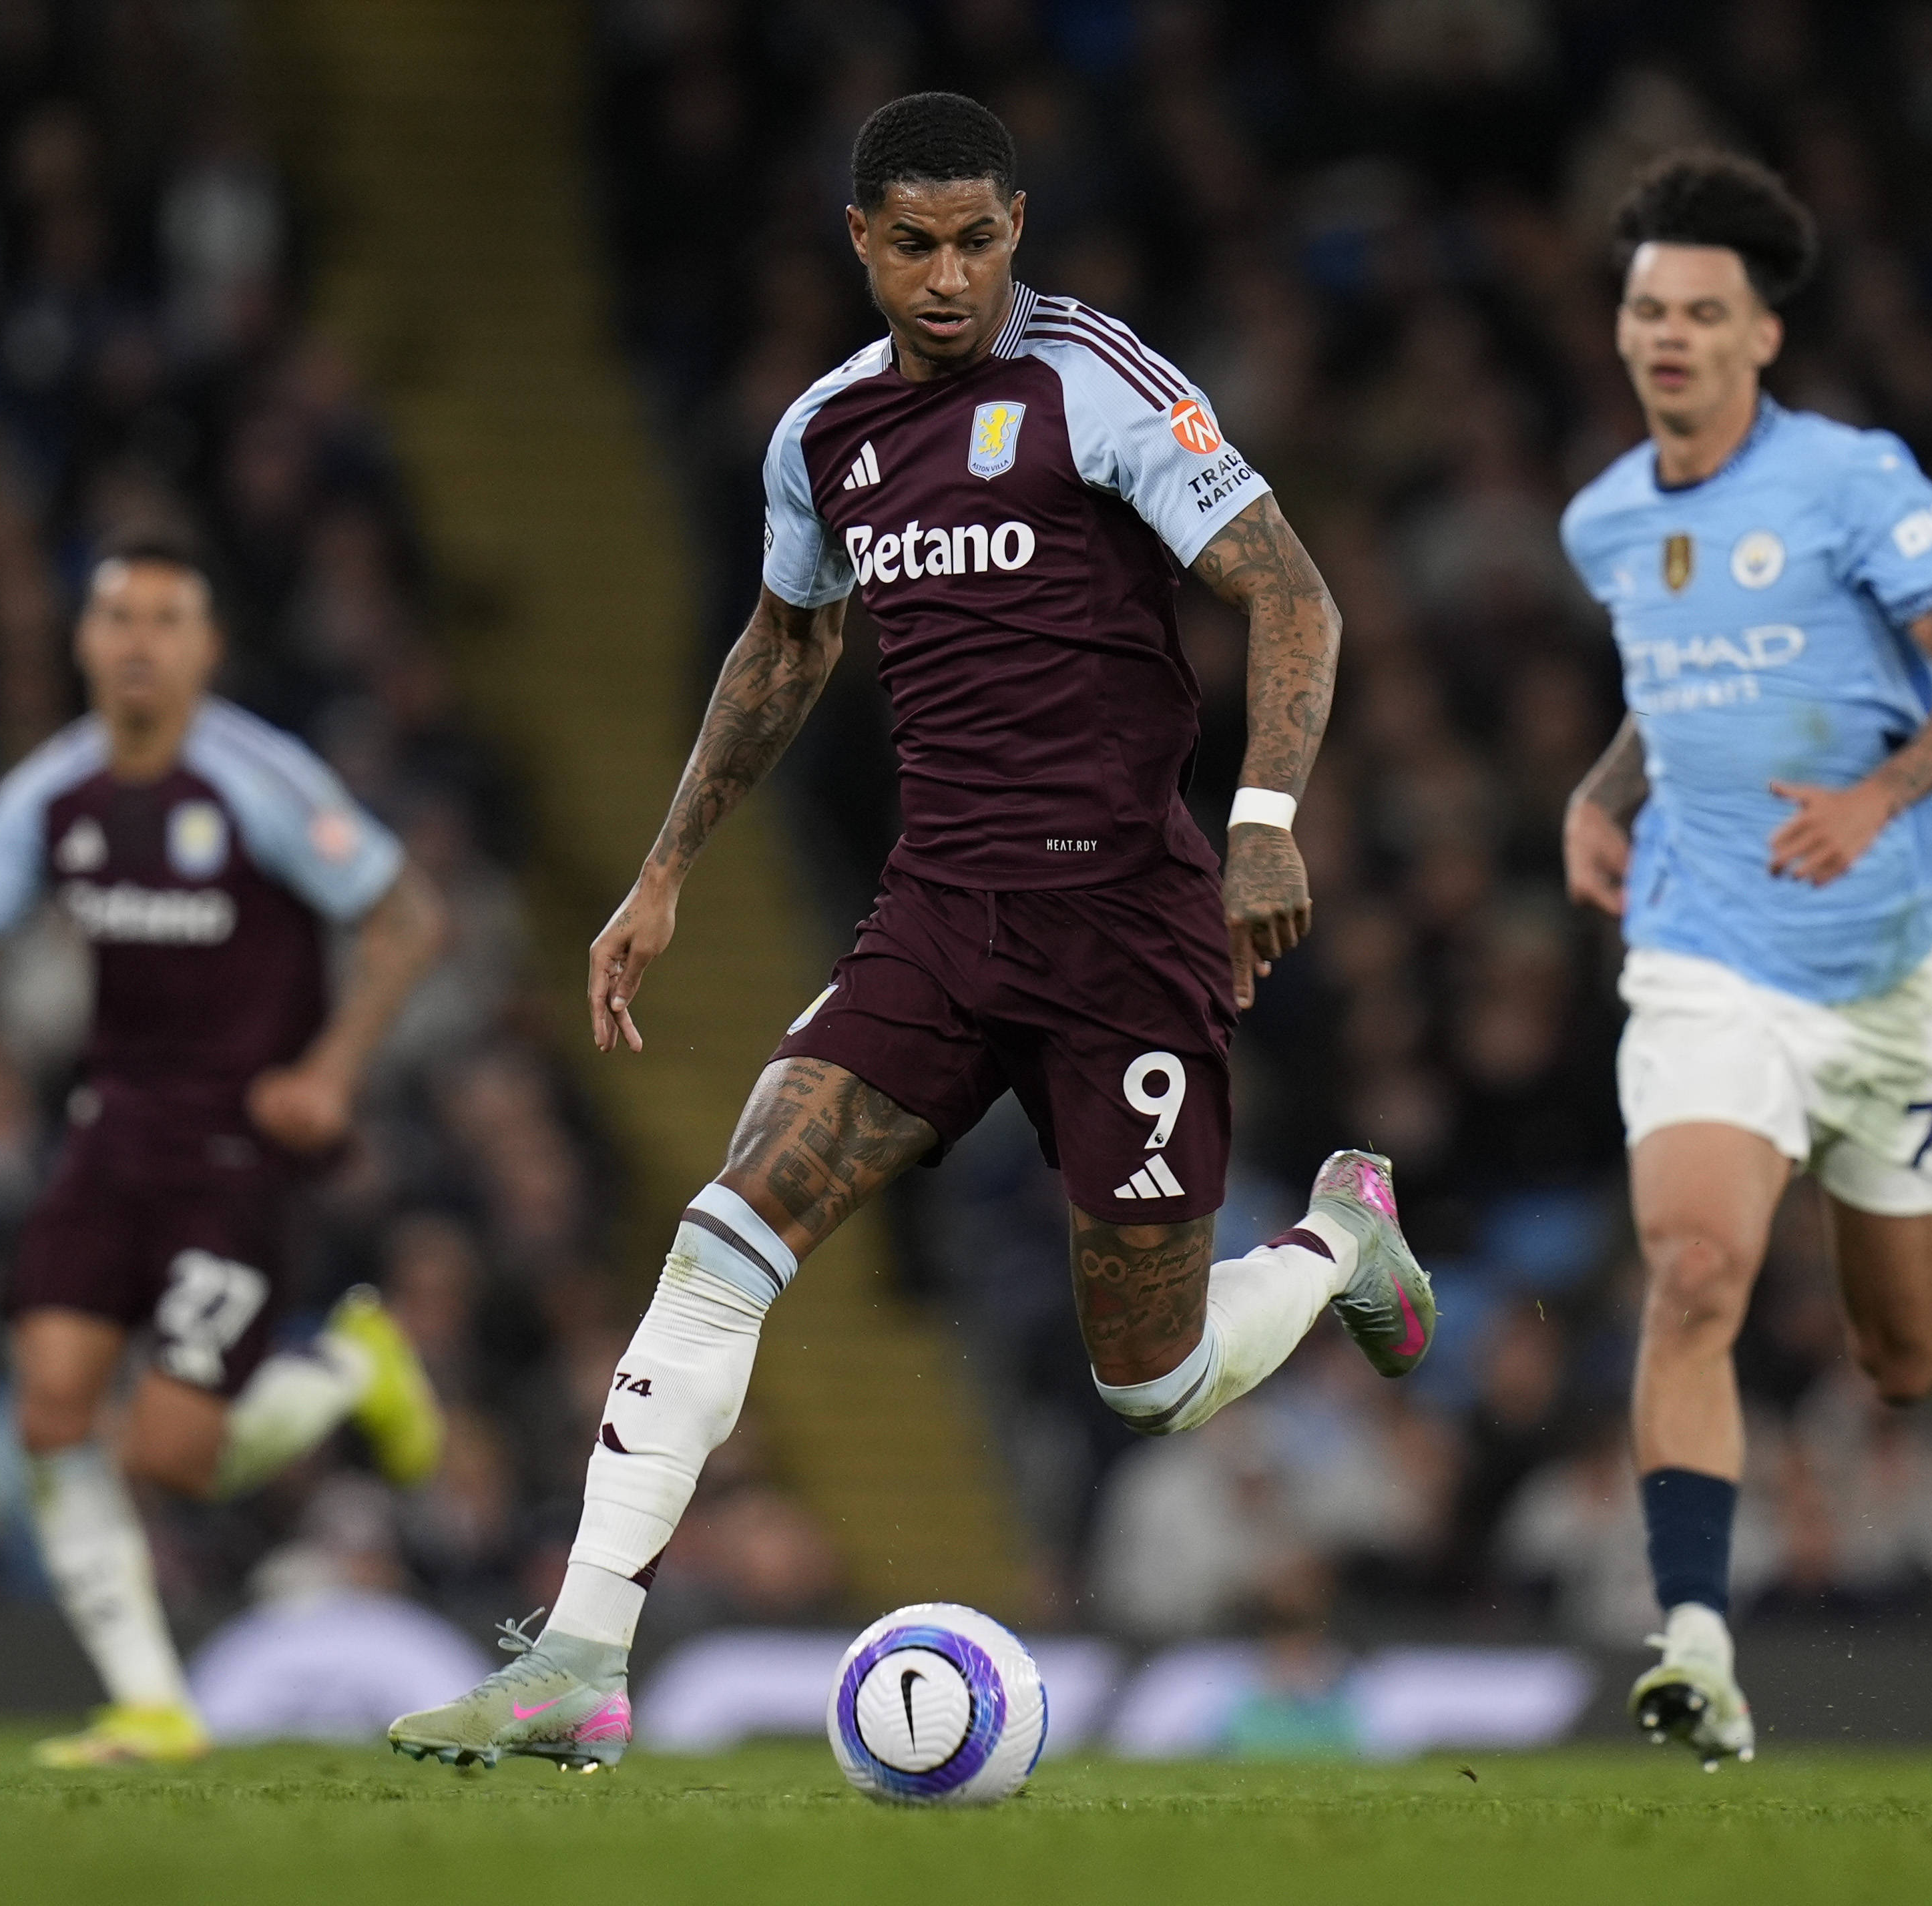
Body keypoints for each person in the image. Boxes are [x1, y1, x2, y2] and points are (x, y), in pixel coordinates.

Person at [387, 91, 1433, 1772]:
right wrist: (662, 870)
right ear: (860, 243)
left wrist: (1258, 826)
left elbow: (1290, 590)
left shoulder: (1095, 377)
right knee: (720, 1233)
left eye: (978, 241)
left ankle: (1333, 1250)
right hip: (939, 914)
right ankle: (580, 1658)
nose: (948, 279)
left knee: (1148, 1384)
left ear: (1014, 228)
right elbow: (783, 651)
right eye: (913, 245)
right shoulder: (824, 435)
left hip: (1124, 924)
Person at [1556, 152, 1932, 1767]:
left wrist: (1874, 793)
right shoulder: (1603, 519)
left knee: (1906, 1357)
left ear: (1760, 338)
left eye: (1703, 313)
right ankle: (1698, 1648)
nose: (1669, 337)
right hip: (1707, 953)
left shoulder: (1853, 482)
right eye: (1648, 308)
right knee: (1696, 1268)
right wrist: (1599, 791)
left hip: (1894, 968)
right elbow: (1680, 674)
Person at [0, 537, 449, 1766]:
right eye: (117, 615)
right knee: (51, 1413)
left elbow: (408, 915)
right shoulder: (46, 795)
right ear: (83, 641)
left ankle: (347, 1368)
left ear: (205, 650)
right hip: (110, 1132)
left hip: (235, 1148)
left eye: (167, 619)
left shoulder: (259, 781)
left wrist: (328, 1075)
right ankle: (151, 1705)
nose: (137, 640)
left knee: (172, 1457)